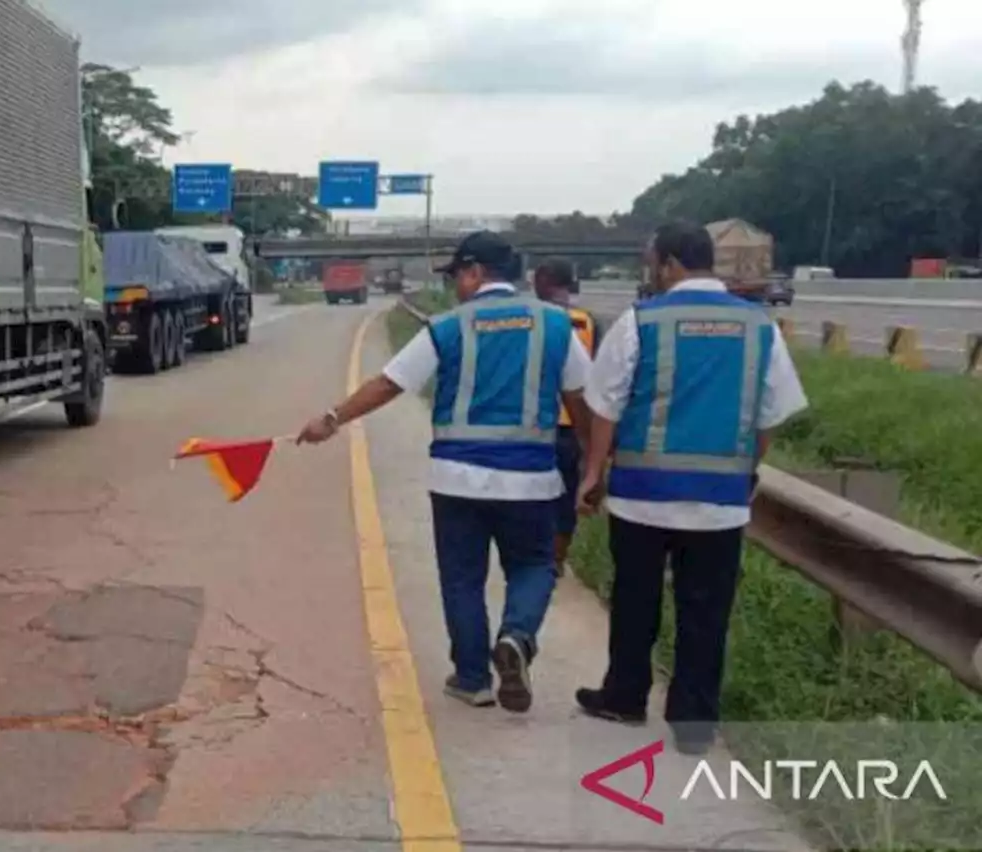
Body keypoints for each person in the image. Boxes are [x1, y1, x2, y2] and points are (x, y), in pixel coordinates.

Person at [297, 231, 593, 713]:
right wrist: (591, 464)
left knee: (462, 579)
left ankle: (473, 677)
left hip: (455, 479)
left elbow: (389, 383)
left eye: (457, 274)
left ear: (476, 272)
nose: (456, 285)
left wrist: (331, 419)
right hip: (531, 480)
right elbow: (582, 402)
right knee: (535, 566)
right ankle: (517, 636)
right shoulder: (556, 326)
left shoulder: (448, 327)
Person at [574, 222, 808, 754]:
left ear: (670, 264)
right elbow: (772, 413)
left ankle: (626, 696)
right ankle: (694, 721)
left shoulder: (642, 321)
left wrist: (593, 473)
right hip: (719, 504)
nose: (649, 271)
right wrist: (746, 464)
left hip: (641, 496)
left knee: (636, 600)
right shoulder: (759, 327)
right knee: (705, 611)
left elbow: (604, 405)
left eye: (652, 261)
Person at [533, 259, 597, 576]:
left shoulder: (535, 322)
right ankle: (556, 561)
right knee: (567, 495)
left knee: (533, 494)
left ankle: (534, 556)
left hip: (539, 422)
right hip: (575, 425)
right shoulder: (587, 321)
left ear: (545, 280)